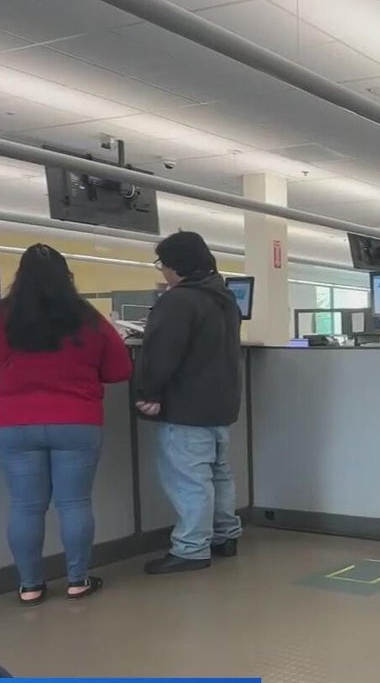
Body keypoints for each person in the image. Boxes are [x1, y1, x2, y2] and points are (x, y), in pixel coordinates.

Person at [0, 244, 132, 605]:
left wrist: (7, 371)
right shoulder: (88, 318)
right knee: (75, 503)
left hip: (15, 423)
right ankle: (78, 580)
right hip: (77, 422)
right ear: (66, 277)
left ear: (19, 276)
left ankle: (30, 586)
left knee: (25, 506)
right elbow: (119, 370)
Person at [135, 231, 243, 575]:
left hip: (187, 407)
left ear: (177, 266)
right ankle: (225, 535)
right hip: (220, 405)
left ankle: (192, 548)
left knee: (189, 480)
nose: (163, 271)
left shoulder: (178, 301)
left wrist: (149, 393)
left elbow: (162, 353)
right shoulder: (224, 297)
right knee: (218, 474)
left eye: (163, 264)